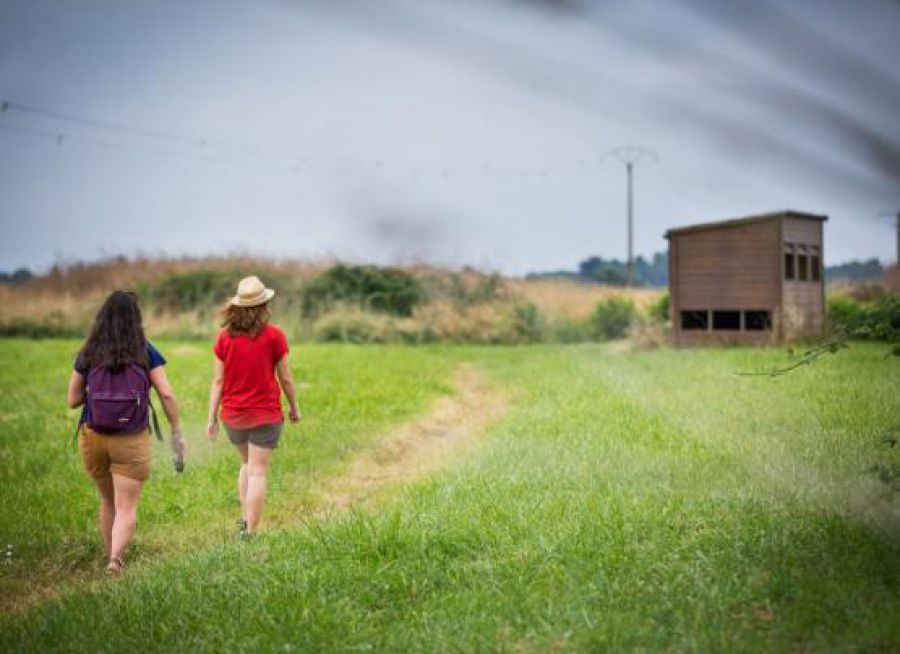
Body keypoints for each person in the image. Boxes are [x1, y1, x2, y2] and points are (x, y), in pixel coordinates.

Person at [66, 290, 185, 574]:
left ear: (102, 317)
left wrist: (98, 395)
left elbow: (72, 399)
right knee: (126, 506)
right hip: (131, 438)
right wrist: (176, 431)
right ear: (136, 317)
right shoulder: (145, 349)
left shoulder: (89, 350)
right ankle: (115, 561)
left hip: (93, 436)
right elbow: (166, 394)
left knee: (108, 501)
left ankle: (111, 556)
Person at [206, 276, 300, 538]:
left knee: (247, 464)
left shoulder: (224, 338)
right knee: (258, 472)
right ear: (264, 305)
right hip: (265, 414)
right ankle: (249, 532)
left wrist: (211, 418)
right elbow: (286, 378)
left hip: (233, 416)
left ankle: (244, 521)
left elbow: (217, 381)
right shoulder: (274, 336)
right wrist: (294, 407)